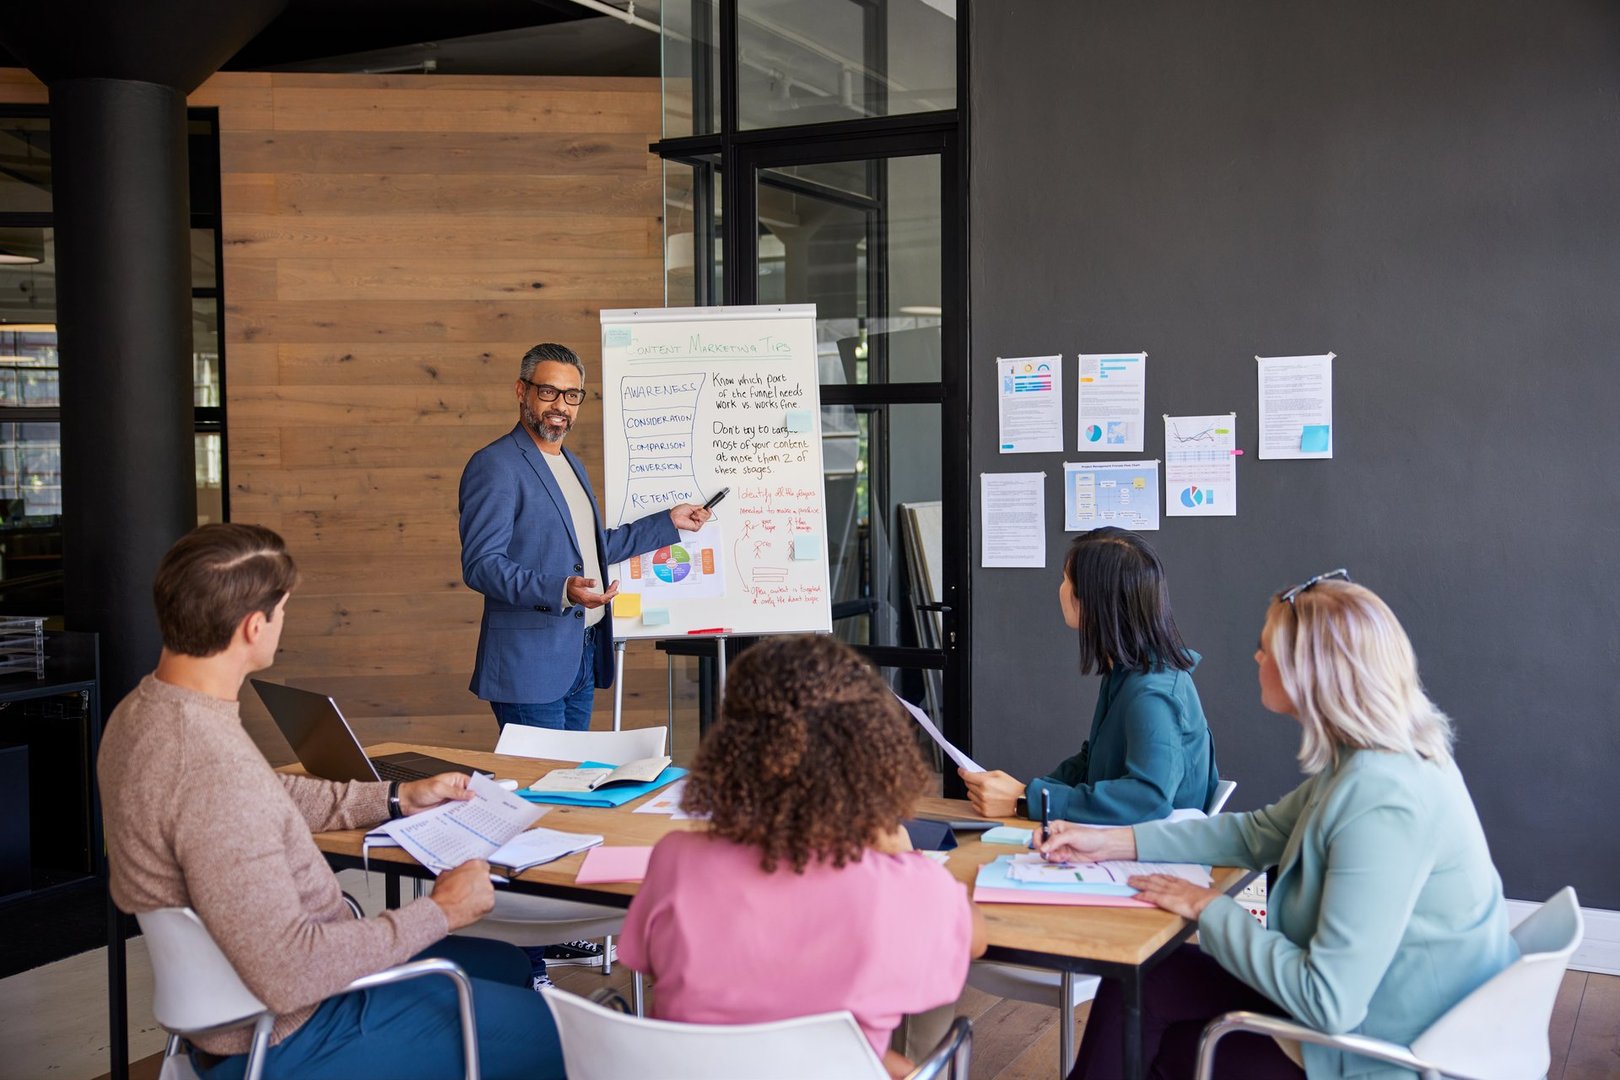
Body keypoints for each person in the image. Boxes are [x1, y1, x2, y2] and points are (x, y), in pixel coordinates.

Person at [99, 524, 564, 1080]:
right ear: (253, 627)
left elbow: (265, 796)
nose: (281, 622)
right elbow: (291, 971)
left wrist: (394, 798)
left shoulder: (146, 713)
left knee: (505, 964)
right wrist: (441, 911)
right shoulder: (208, 767)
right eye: (282, 611)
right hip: (294, 1027)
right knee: (550, 1029)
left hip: (260, 1005)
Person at [1040, 571, 1517, 1080]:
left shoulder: (1384, 803)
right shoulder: (1365, 761)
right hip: (1371, 1006)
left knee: (1169, 1048)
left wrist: (1208, 908)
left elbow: (1328, 1002)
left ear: (1310, 673)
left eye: (1267, 648)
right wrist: (1112, 841)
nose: (1257, 657)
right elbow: (1254, 834)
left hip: (1377, 1049)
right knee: (1139, 981)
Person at [618, 635, 988, 1079]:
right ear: (873, 752)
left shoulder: (676, 859)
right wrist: (907, 855)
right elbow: (975, 939)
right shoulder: (909, 887)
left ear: (731, 746)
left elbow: (652, 965)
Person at [459, 341, 711, 732]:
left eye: (572, 395)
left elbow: (593, 548)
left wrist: (669, 522)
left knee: (570, 786)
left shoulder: (571, 463)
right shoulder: (495, 465)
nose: (560, 405)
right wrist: (562, 588)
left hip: (582, 654)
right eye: (549, 392)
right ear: (521, 391)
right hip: (530, 666)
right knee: (540, 787)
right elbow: (482, 566)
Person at [961, 527, 1219, 823]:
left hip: (1153, 856)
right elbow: (1092, 762)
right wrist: (1025, 793)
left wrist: (1024, 799)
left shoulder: (1153, 691)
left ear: (1094, 599)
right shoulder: (1125, 671)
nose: (1060, 588)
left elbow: (1149, 799)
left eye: (1066, 579)